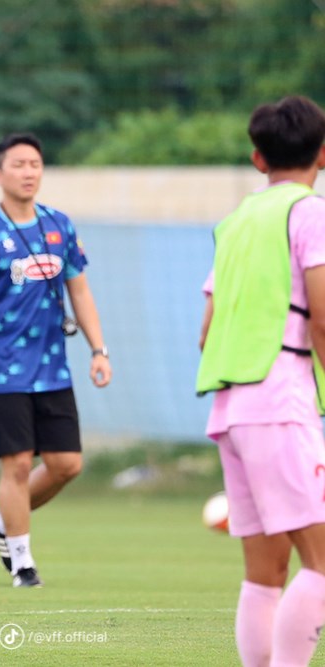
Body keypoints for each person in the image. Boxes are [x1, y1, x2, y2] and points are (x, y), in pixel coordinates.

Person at [0, 133, 111, 587]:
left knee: (67, 464)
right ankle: (22, 563)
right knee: (16, 464)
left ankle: (2, 522)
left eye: (35, 164)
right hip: (0, 370)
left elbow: (80, 290)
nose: (28, 172)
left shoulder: (59, 225)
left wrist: (99, 350)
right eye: (18, 164)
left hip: (52, 369)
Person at [196, 95, 325, 667]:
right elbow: (322, 317)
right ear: (323, 154)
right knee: (321, 563)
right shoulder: (311, 213)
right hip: (281, 401)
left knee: (265, 573)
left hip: (232, 410)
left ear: (257, 158)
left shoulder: (236, 223)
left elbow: (206, 331)